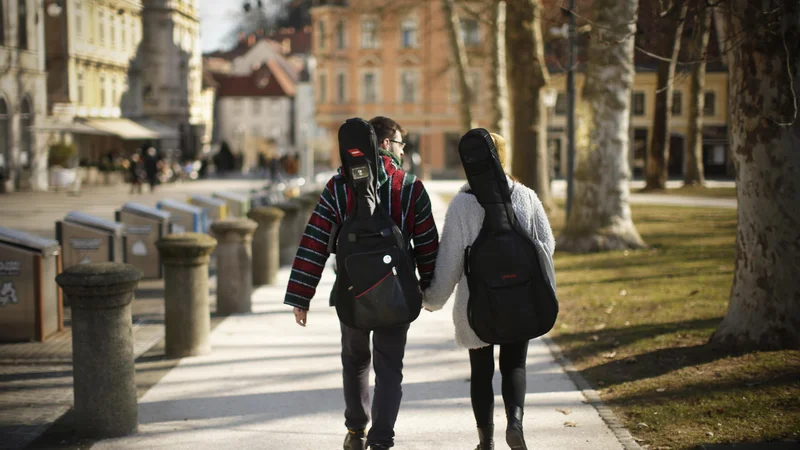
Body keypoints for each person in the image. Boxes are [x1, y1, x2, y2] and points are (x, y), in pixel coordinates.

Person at [284, 116, 439, 450]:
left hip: (351, 294)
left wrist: (301, 295)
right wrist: (429, 289)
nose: (401, 150)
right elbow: (427, 243)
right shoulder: (409, 186)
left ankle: (356, 432)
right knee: (389, 368)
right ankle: (381, 439)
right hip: (397, 295)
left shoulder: (337, 187)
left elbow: (315, 240)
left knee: (355, 361)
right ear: (385, 144)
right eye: (399, 143)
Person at [421, 133, 555, 450]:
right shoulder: (525, 197)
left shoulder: (462, 205)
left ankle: (487, 440)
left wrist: (432, 299)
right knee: (515, 365)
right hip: (520, 298)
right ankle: (516, 424)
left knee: (481, 372)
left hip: (476, 305)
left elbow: (450, 261)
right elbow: (547, 245)